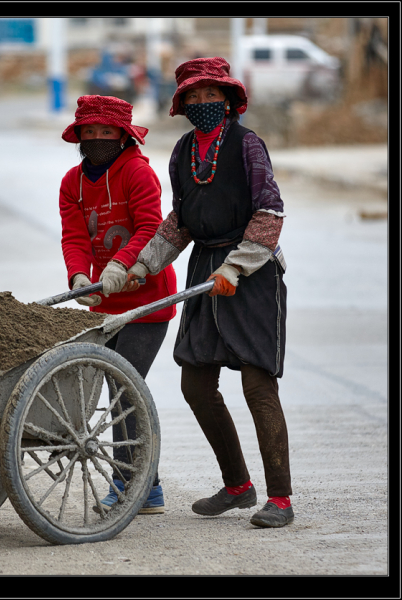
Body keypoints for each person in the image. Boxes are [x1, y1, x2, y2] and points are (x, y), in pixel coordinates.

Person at [103, 57, 293, 528]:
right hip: (205, 268)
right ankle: (237, 486)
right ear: (183, 103)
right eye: (194, 96)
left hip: (251, 271)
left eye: (212, 95)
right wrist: (141, 266)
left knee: (256, 383)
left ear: (228, 100)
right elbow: (179, 223)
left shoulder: (249, 145)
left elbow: (270, 211)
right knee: (196, 383)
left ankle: (281, 499)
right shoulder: (183, 150)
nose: (204, 103)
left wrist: (238, 265)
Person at [59, 95, 178, 514]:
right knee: (117, 389)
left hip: (148, 300)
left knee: (126, 389)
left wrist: (122, 263)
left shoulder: (137, 173)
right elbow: (74, 237)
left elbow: (150, 226)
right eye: (88, 133)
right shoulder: (72, 182)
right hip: (105, 303)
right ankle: (149, 486)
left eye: (105, 132)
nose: (96, 139)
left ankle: (132, 484)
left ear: (123, 135)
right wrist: (79, 277)